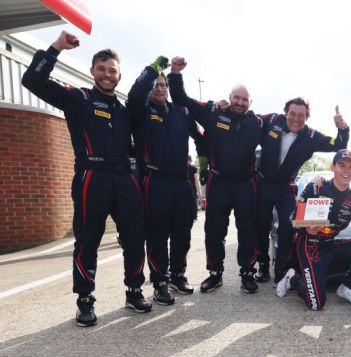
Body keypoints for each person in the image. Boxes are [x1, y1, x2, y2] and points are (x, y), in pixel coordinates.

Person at [22, 31, 151, 327]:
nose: (107, 75)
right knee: (87, 241)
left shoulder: (124, 111)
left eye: (112, 71)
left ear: (119, 76)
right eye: (102, 69)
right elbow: (32, 81)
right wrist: (56, 48)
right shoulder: (78, 98)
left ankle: (134, 291)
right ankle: (85, 299)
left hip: (124, 179)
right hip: (91, 178)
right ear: (92, 71)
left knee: (135, 238)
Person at [168, 57, 262, 294]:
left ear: (251, 102)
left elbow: (287, 129)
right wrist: (176, 73)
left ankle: (247, 273)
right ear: (229, 97)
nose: (240, 102)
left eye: (245, 100)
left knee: (247, 230)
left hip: (245, 184)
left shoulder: (257, 123)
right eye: (236, 98)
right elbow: (181, 98)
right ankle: (215, 273)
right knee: (214, 230)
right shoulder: (213, 111)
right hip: (218, 181)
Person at [128, 57, 206, 304]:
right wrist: (154, 68)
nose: (159, 89)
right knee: (158, 235)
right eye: (155, 85)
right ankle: (160, 282)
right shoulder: (141, 110)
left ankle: (177, 275)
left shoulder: (182, 112)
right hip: (154, 183)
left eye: (163, 84)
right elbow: (135, 94)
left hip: (181, 183)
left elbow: (201, 137)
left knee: (183, 234)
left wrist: (204, 163)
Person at [255, 99, 349, 285]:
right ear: (285, 113)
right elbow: (248, 118)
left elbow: (338, 144)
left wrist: (343, 129)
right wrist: (224, 107)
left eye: (301, 115)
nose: (296, 119)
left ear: (306, 117)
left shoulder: (312, 136)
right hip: (263, 183)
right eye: (292, 114)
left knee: (288, 226)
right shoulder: (271, 120)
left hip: (286, 187)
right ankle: (263, 266)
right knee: (260, 226)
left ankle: (281, 270)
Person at [276, 150, 351, 310]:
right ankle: (292, 278)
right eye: (341, 165)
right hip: (309, 245)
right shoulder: (316, 188)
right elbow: (292, 220)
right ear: (333, 167)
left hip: (330, 244)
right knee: (316, 304)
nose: (346, 170)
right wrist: (307, 230)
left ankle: (346, 287)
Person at [187, 155, 201, 221]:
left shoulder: (181, 168)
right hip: (192, 187)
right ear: (190, 160)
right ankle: (194, 216)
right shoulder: (194, 169)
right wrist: (199, 190)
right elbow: (196, 180)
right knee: (194, 201)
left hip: (184, 187)